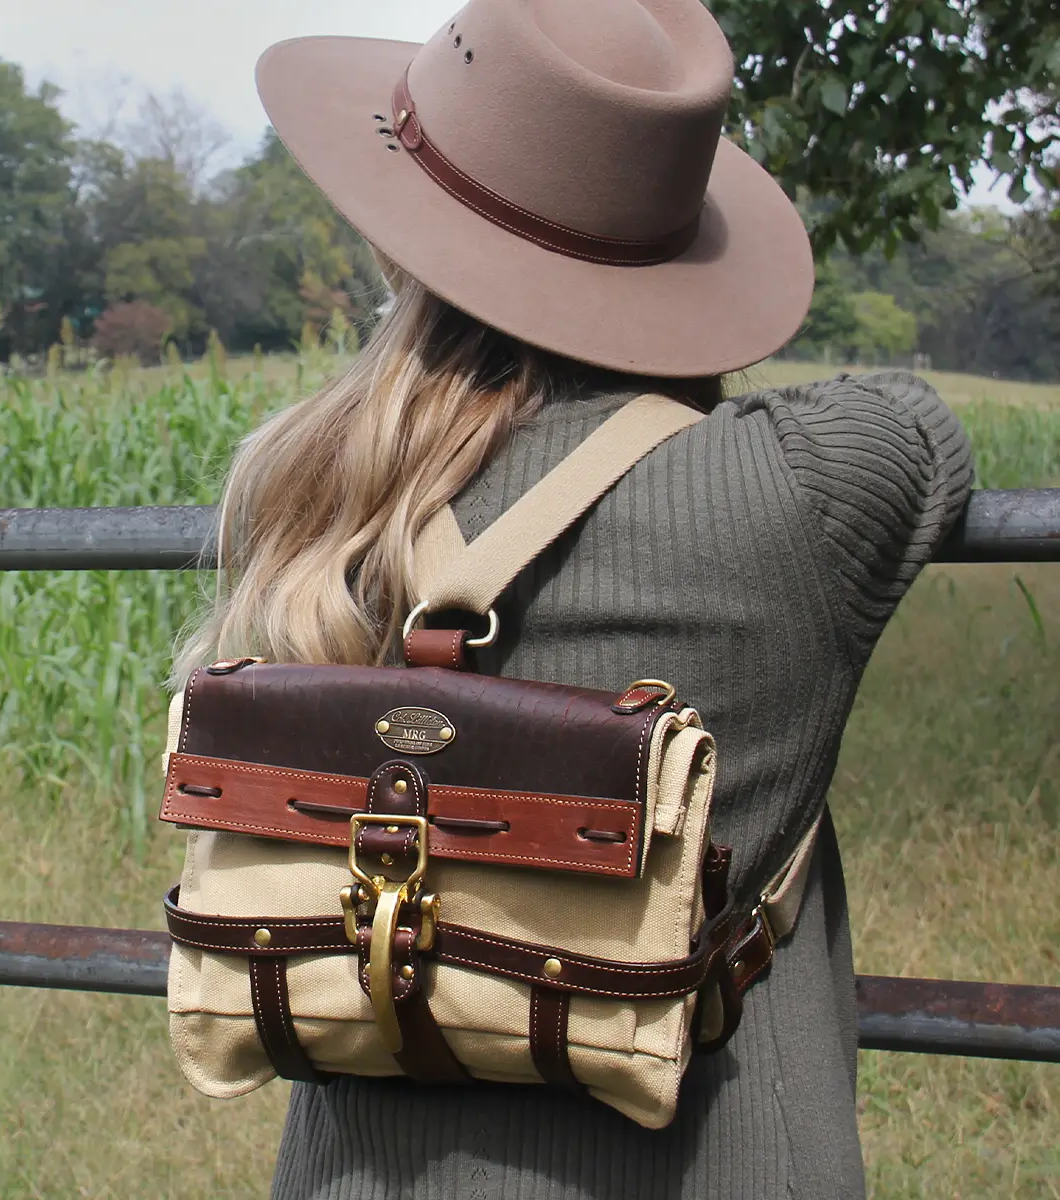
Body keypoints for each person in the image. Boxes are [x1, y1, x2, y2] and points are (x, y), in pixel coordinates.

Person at [176, 0, 973, 1195]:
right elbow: (922, 427)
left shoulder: (312, 490)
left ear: (406, 240)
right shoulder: (800, 490)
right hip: (726, 1157)